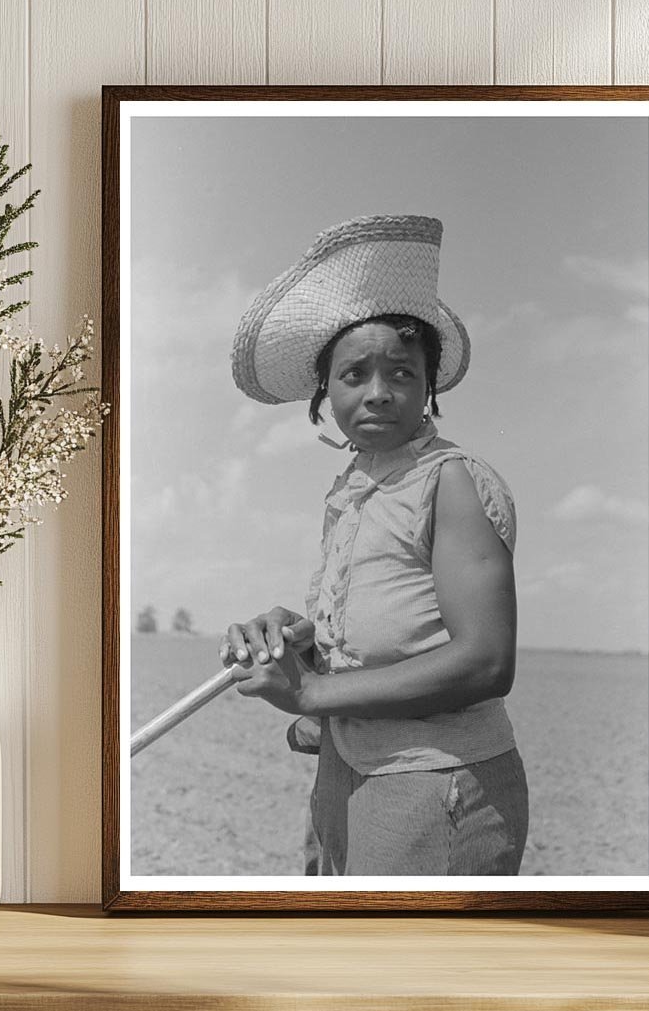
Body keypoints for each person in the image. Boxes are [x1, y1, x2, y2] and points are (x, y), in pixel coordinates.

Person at [221, 214, 528, 876]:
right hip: (346, 770)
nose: (379, 392)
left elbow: (485, 662)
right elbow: (382, 628)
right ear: (323, 393)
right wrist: (298, 636)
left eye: (402, 373)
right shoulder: (354, 488)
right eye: (354, 374)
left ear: (428, 387)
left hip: (434, 782)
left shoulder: (451, 482)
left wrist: (309, 696)